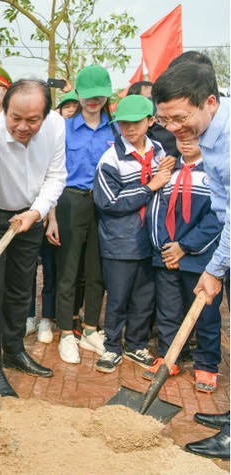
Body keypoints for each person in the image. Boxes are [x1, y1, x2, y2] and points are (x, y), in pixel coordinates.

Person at [0, 79, 66, 397]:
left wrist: (36, 212)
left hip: (30, 217)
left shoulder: (56, 127)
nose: (23, 127)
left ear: (45, 115)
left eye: (32, 120)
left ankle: (13, 350)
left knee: (22, 290)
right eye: (15, 118)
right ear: (3, 110)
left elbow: (56, 176)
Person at [154, 60, 230, 460]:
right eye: (165, 120)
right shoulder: (210, 133)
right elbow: (222, 203)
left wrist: (214, 268)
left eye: (181, 118)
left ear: (210, 102)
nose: (174, 129)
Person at [92, 94, 171, 373]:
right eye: (123, 123)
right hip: (120, 242)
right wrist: (150, 186)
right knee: (117, 298)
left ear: (150, 121)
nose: (130, 129)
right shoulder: (111, 158)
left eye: (136, 122)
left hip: (150, 241)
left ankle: (135, 344)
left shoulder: (159, 151)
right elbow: (108, 202)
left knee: (144, 298)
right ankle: (112, 347)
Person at [46, 65, 113, 364]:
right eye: (87, 95)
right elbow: (51, 173)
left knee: (96, 272)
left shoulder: (115, 129)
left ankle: (89, 330)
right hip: (70, 202)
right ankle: (66, 333)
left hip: (104, 205)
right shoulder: (63, 127)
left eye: (99, 95)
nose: (93, 101)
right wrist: (52, 217)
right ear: (78, 95)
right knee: (68, 272)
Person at [146, 137, 223, 391]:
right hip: (167, 255)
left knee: (205, 315)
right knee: (168, 312)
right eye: (181, 138)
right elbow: (155, 210)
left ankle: (207, 365)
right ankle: (170, 358)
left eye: (195, 137)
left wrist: (185, 247)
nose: (187, 142)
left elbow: (218, 217)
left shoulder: (215, 171)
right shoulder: (168, 171)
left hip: (200, 256)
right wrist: (165, 248)